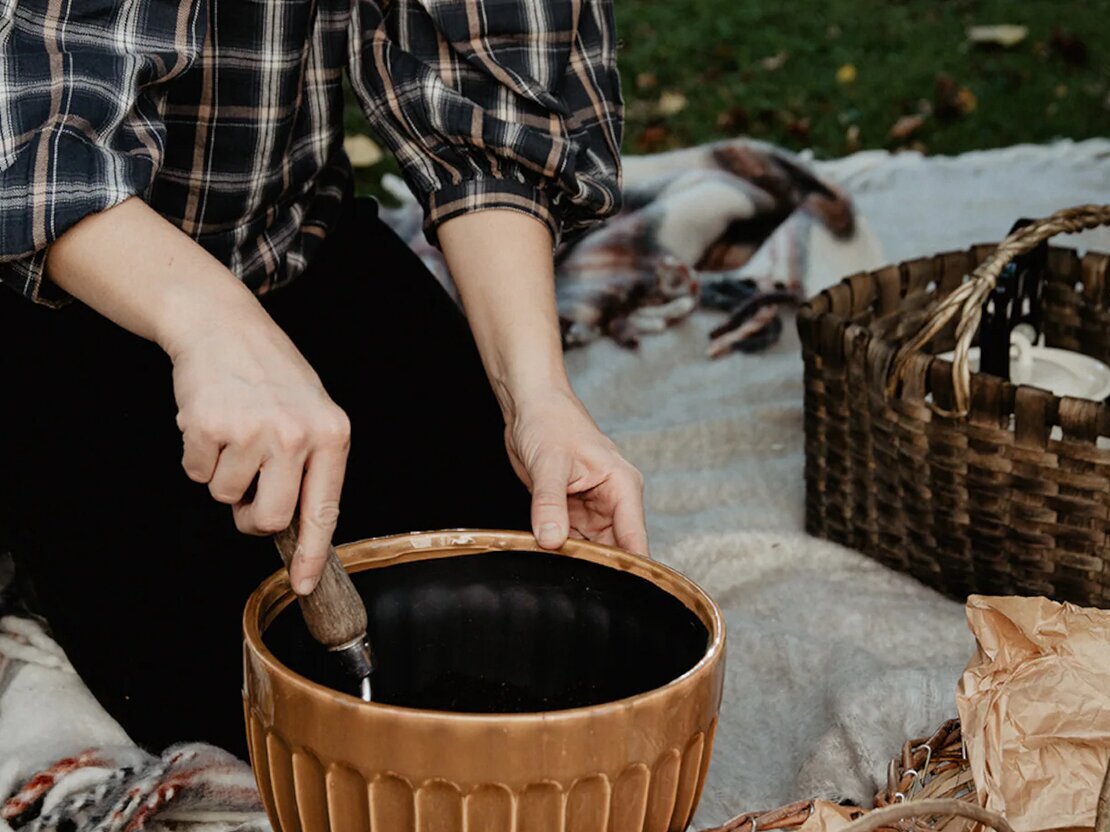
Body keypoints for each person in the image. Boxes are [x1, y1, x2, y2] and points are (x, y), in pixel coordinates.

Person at [0, 0, 647, 757]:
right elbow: (33, 138)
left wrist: (535, 396)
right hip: (44, 286)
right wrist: (216, 328)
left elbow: (487, 79)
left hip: (283, 238)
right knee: (246, 708)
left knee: (525, 623)